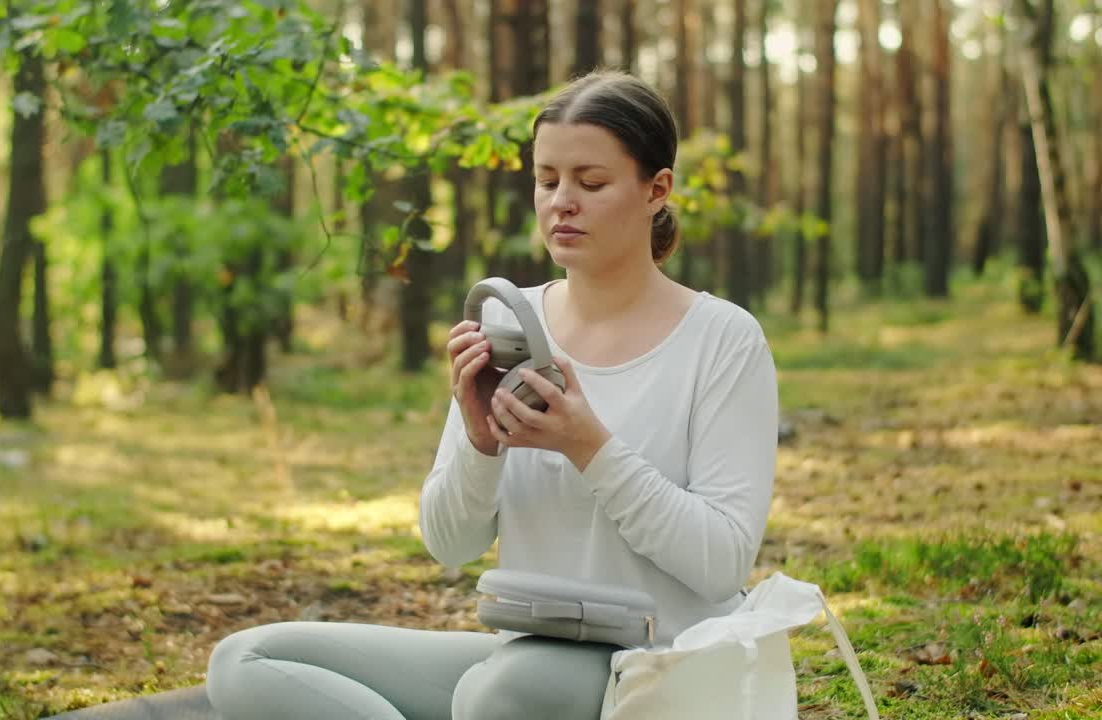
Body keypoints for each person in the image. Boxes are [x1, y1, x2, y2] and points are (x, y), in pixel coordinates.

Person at [205, 68, 779, 720]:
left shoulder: (722, 339)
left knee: (497, 694)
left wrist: (588, 447)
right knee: (246, 661)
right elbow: (449, 543)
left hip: (661, 668)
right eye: (546, 180)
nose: (562, 201)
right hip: (529, 652)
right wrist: (479, 444)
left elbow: (721, 564)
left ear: (657, 189)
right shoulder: (512, 324)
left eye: (591, 183)